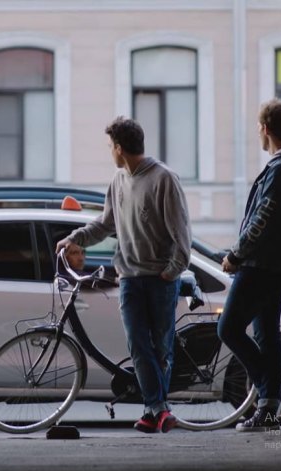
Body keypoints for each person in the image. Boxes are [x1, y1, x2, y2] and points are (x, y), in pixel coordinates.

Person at [56, 116, 191, 434]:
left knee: (161, 348)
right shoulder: (118, 180)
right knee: (137, 344)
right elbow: (104, 225)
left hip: (159, 280)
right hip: (129, 278)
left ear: (119, 147)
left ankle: (151, 410)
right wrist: (75, 238)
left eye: (109, 147)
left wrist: (170, 273)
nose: (109, 152)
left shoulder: (164, 179)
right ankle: (158, 409)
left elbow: (182, 234)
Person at [218, 98, 281, 432]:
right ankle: (268, 410)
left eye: (259, 127)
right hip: (277, 263)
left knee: (228, 328)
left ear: (265, 129)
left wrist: (235, 256)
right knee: (266, 332)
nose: (258, 132)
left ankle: (270, 389)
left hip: (262, 264)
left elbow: (261, 220)